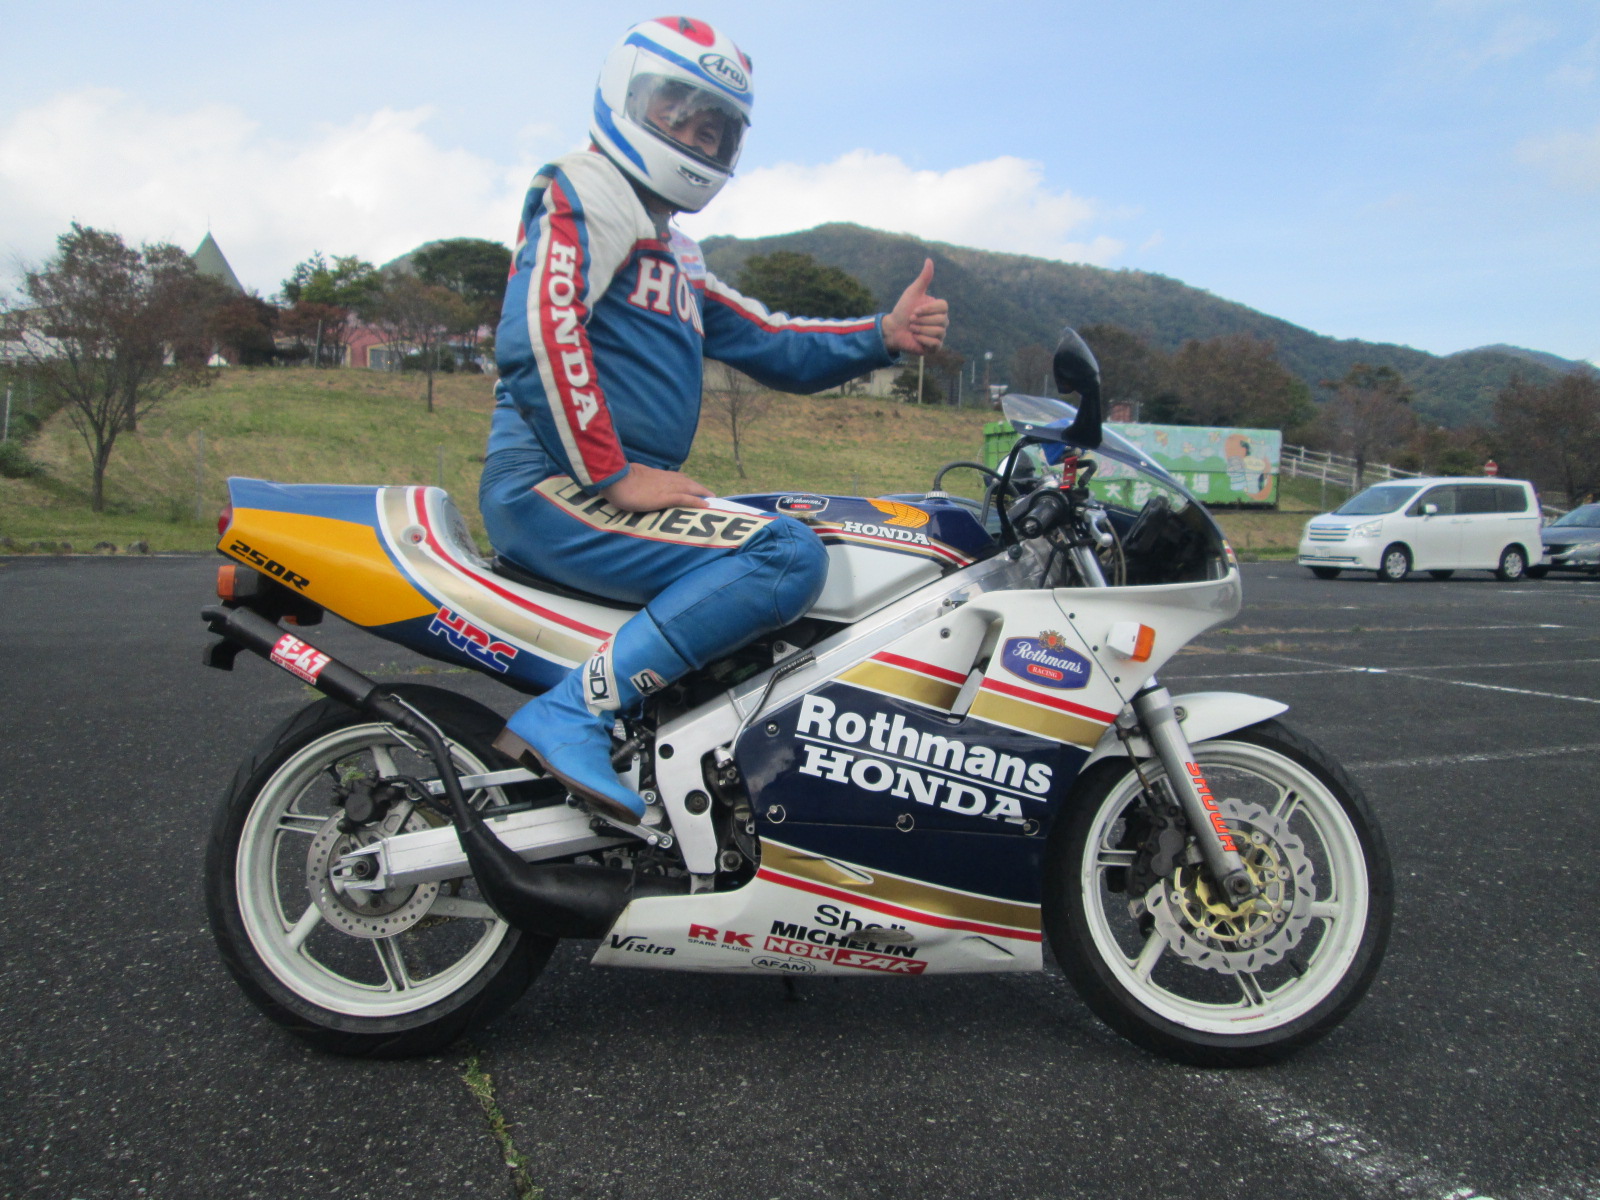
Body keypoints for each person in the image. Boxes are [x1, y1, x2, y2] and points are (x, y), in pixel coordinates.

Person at [481, 15, 949, 826]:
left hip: (597, 489)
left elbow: (771, 341)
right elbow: (539, 330)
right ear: (627, 97)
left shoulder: (678, 254)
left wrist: (883, 334)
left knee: (798, 529)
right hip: (551, 484)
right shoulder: (588, 186)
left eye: (714, 130)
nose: (695, 137)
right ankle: (571, 713)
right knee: (784, 555)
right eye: (677, 112)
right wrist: (612, 474)